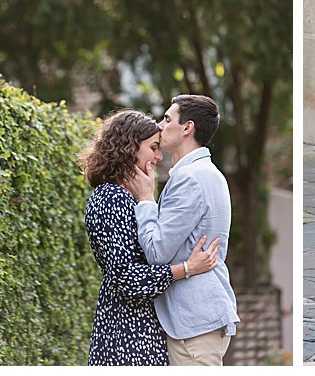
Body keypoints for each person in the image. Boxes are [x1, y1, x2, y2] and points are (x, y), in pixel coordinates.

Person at [80, 110, 221, 366]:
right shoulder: (111, 199)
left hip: (142, 329)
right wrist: (186, 269)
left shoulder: (129, 197)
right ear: (130, 147)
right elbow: (127, 279)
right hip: (126, 335)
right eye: (153, 148)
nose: (158, 156)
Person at [129, 94, 239, 365]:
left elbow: (157, 252)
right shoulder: (207, 172)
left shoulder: (189, 178)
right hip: (199, 320)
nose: (160, 126)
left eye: (167, 119)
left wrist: (145, 200)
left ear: (187, 128)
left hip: (194, 324)